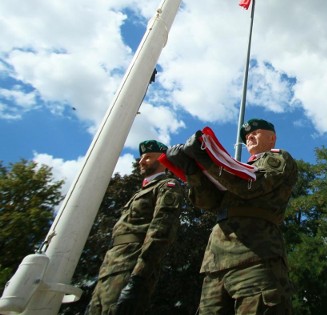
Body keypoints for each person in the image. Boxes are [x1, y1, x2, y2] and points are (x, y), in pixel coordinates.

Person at [164, 118, 298, 314]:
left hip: (256, 255)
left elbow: (249, 187)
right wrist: (192, 171)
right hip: (216, 261)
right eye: (246, 136)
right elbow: (207, 202)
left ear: (272, 138)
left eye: (256, 132)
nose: (249, 137)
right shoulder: (232, 171)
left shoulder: (278, 159)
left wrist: (207, 160)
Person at [86, 140, 184, 315]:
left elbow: (161, 231)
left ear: (162, 160)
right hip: (110, 267)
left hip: (131, 266)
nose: (141, 161)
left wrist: (139, 276)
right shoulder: (140, 192)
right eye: (141, 158)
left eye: (148, 157)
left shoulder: (167, 186)